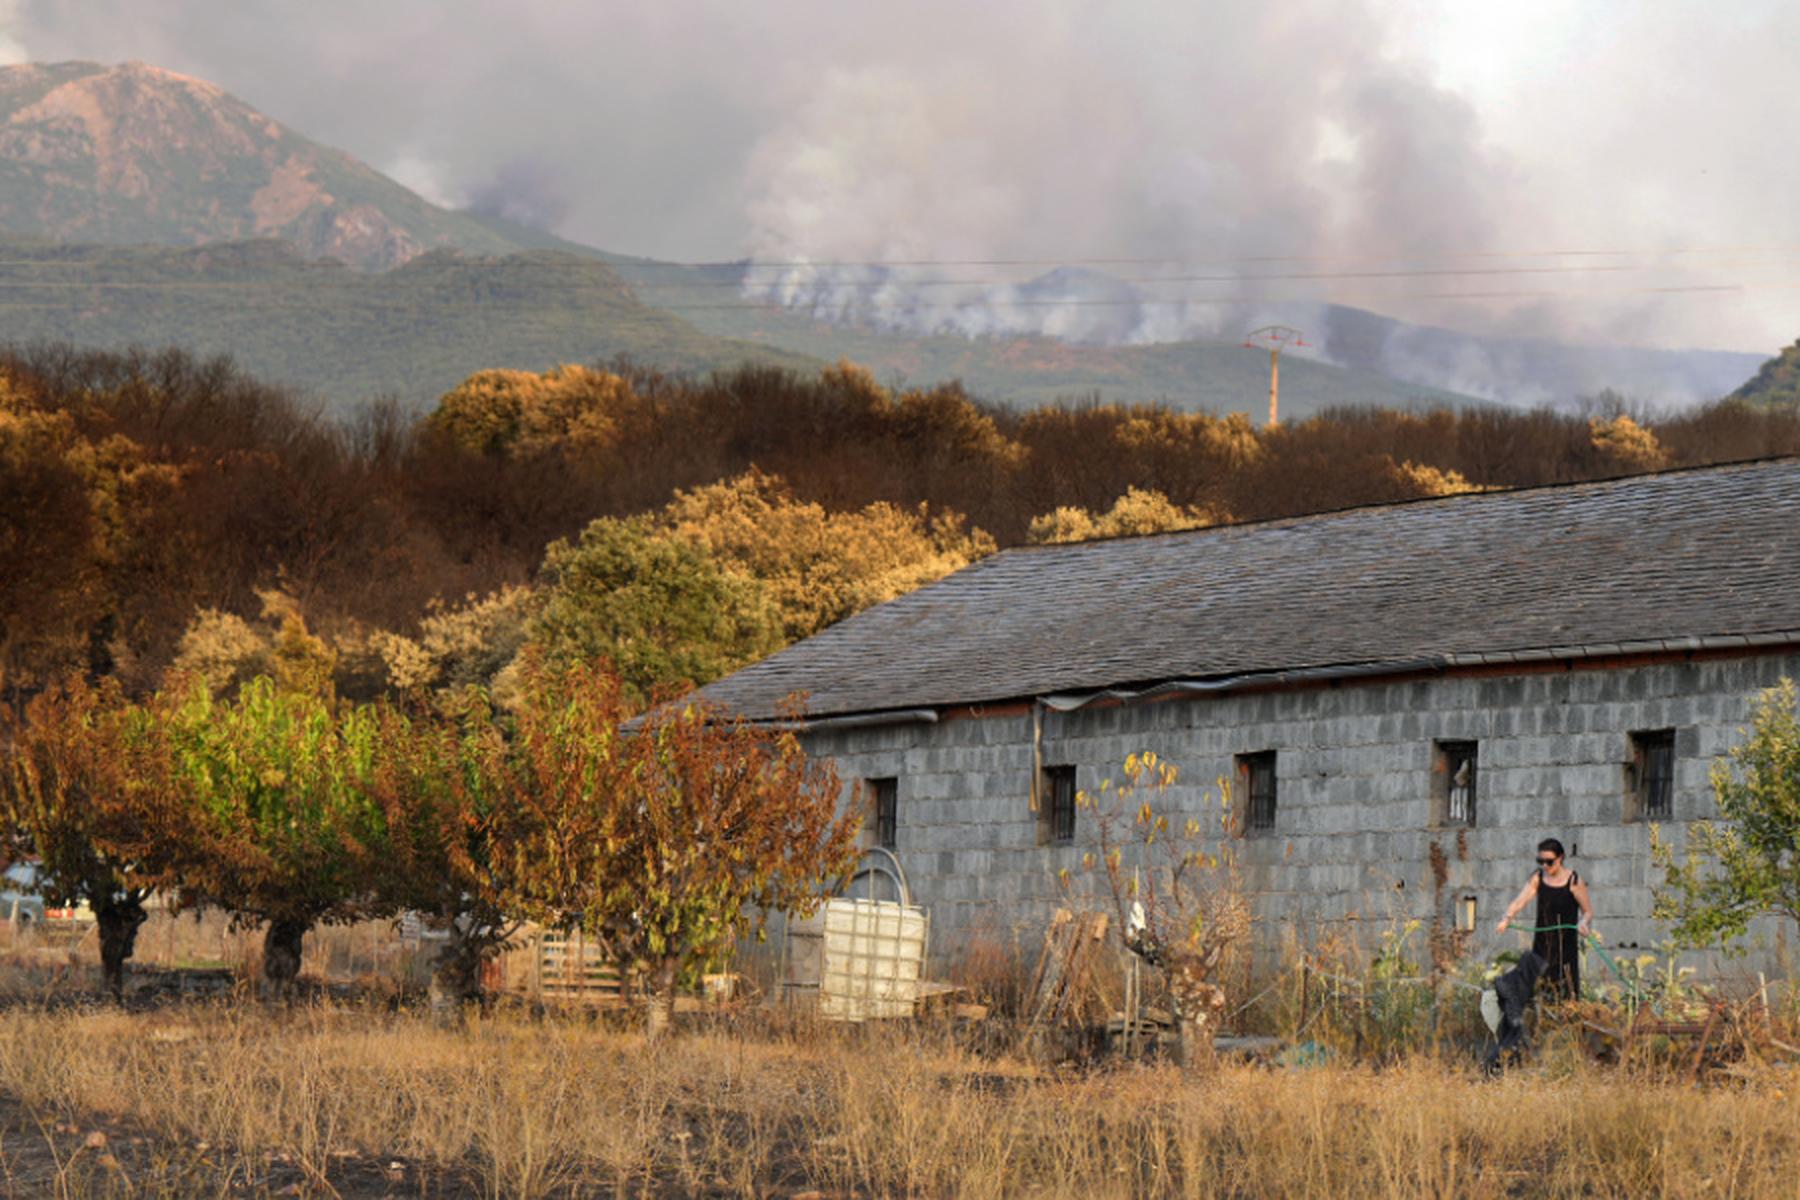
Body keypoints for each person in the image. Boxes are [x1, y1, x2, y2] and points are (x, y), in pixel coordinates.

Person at [1494, 838, 1593, 998]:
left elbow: (1587, 911)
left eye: (1549, 861)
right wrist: (1507, 918)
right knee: (1540, 988)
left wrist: (1583, 922)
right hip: (1542, 944)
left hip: (1565, 946)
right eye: (1541, 861)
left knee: (1566, 990)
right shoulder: (1538, 878)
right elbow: (1520, 901)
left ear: (1560, 858)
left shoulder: (1574, 881)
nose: (1545, 866)